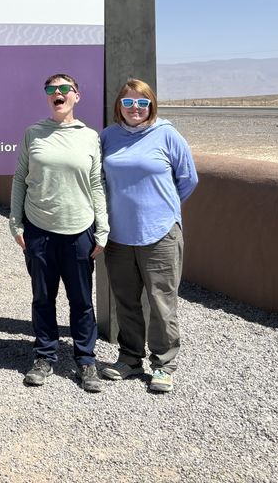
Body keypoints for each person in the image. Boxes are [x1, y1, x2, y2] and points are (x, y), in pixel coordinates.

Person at [9, 73, 109, 392]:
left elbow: (96, 183)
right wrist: (16, 222)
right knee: (43, 297)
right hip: (39, 230)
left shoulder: (89, 136)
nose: (59, 93)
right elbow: (20, 178)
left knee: (81, 300)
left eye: (66, 89)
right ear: (48, 97)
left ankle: (86, 361)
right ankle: (44, 356)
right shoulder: (33, 134)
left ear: (77, 96)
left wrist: (102, 228)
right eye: (52, 89)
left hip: (79, 229)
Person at [100, 78, 198, 393]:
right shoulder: (108, 137)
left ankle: (164, 365)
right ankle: (129, 359)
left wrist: (164, 210)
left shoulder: (167, 134)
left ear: (151, 105)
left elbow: (188, 179)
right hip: (119, 236)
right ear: (119, 106)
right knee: (126, 301)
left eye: (142, 103)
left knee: (161, 301)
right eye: (128, 103)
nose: (135, 109)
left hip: (160, 235)